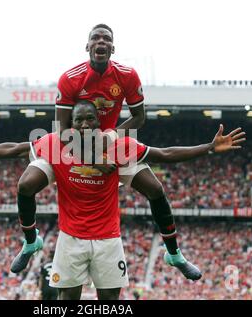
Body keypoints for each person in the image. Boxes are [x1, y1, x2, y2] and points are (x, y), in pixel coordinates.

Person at [0, 100, 246, 299]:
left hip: (108, 239)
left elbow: (165, 154)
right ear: (70, 126)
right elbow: (16, 148)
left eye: (90, 119)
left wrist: (208, 146)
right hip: (70, 238)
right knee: (66, 301)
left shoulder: (117, 147)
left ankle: (174, 252)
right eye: (79, 121)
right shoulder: (56, 146)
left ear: (100, 123)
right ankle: (30, 241)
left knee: (109, 302)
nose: (85, 125)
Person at [12, 23, 205, 281]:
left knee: (156, 189)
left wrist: (111, 137)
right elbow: (61, 129)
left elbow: (139, 118)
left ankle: (174, 254)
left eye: (106, 38)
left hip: (109, 143)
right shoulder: (70, 78)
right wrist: (92, 157)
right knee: (26, 185)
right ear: (87, 46)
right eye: (95, 38)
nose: (100, 42)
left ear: (112, 47)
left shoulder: (127, 76)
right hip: (72, 143)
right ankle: (30, 241)